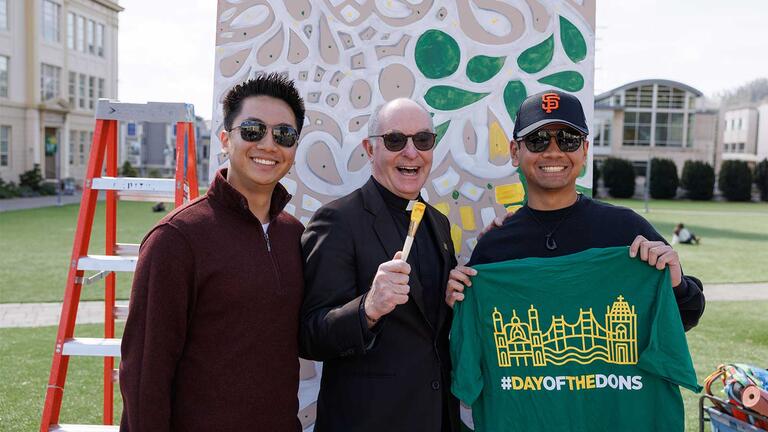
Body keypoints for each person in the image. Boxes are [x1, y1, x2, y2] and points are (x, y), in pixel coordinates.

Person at [120, 73, 306, 431]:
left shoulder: (293, 235)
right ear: (225, 140)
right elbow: (145, 373)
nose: (269, 144)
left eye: (284, 135)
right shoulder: (176, 238)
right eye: (253, 130)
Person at [446, 89, 705, 331]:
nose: (554, 152)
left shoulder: (626, 230)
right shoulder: (495, 246)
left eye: (568, 140)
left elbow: (686, 315)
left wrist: (676, 285)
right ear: (515, 152)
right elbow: (470, 335)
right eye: (538, 140)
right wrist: (455, 302)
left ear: (584, 151)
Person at [300, 98, 461, 431]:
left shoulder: (439, 224)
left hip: (436, 417)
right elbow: (310, 336)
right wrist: (368, 309)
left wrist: (451, 301)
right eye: (395, 140)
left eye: (423, 140)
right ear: (370, 149)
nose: (411, 152)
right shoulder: (337, 221)